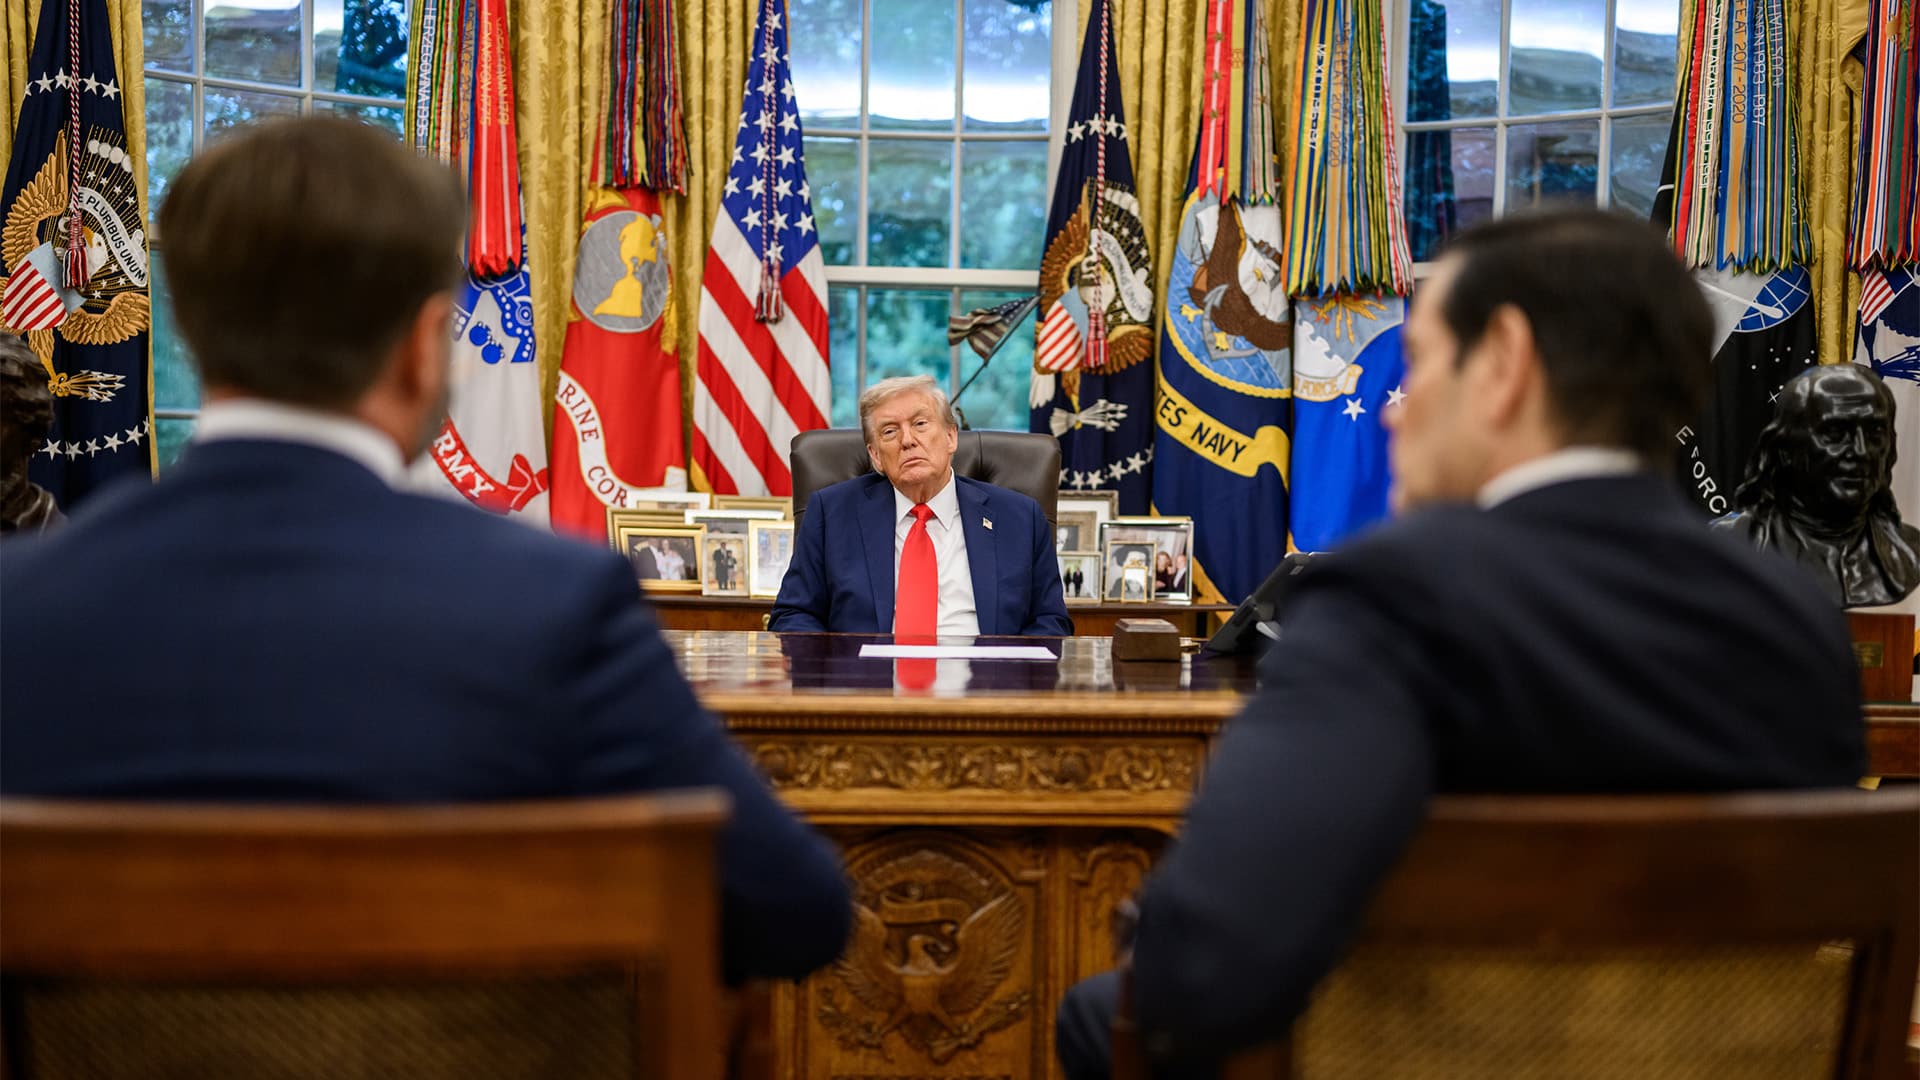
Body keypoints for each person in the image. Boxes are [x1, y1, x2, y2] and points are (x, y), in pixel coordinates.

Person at [0, 117, 851, 987]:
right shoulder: (556, 607)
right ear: (422, 344)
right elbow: (796, 912)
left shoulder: (20, 608)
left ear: (192, 332)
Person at [1054, 208, 1865, 1080]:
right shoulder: (1799, 618)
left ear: (1505, 364)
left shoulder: (1391, 597)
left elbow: (1200, 973)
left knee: (1100, 1015)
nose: (1396, 414)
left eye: (1422, 363)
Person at [770, 374, 1072, 636]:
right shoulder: (831, 513)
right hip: (866, 690)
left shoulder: (1019, 517)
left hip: (986, 690)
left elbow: (1050, 620)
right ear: (875, 455)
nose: (908, 440)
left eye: (920, 423)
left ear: (951, 437)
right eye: (890, 431)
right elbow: (793, 616)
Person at [1713, 363, 1919, 608]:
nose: (1861, 451)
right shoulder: (1725, 547)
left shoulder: (1912, 552)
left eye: (1874, 433)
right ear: (1785, 449)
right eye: (1834, 433)